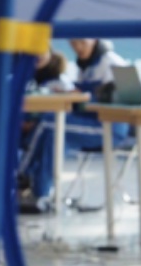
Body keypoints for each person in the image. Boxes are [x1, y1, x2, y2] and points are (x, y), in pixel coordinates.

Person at [19, 39, 129, 211]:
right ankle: (40, 194)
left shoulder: (113, 62)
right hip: (87, 121)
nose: (78, 47)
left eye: (82, 42)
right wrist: (72, 94)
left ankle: (23, 175)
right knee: (53, 132)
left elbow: (128, 98)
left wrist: (86, 96)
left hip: (109, 128)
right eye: (73, 43)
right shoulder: (84, 67)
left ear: (94, 39)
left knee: (49, 122)